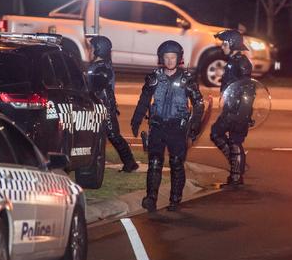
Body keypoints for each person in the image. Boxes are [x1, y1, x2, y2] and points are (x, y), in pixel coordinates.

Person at [131, 40, 204, 212]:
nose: (170, 60)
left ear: (178, 58)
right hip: (157, 126)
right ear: (161, 58)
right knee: (155, 162)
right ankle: (151, 198)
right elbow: (144, 100)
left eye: (173, 57)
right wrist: (137, 118)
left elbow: (199, 103)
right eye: (166, 57)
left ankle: (175, 199)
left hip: (177, 128)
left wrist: (194, 126)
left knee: (176, 163)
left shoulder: (187, 79)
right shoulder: (154, 78)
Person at [86, 36, 139, 172]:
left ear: (99, 50)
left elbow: (94, 88)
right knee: (94, 135)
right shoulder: (98, 66)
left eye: (92, 48)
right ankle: (91, 162)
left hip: (104, 107)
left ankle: (130, 163)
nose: (89, 50)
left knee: (113, 135)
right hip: (98, 106)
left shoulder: (101, 68)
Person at [210, 29, 254, 186]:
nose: (222, 46)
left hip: (238, 110)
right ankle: (237, 165)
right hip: (230, 108)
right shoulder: (233, 61)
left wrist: (243, 114)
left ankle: (236, 176)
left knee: (234, 140)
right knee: (216, 133)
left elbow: (249, 90)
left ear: (232, 44)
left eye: (224, 43)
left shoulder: (242, 63)